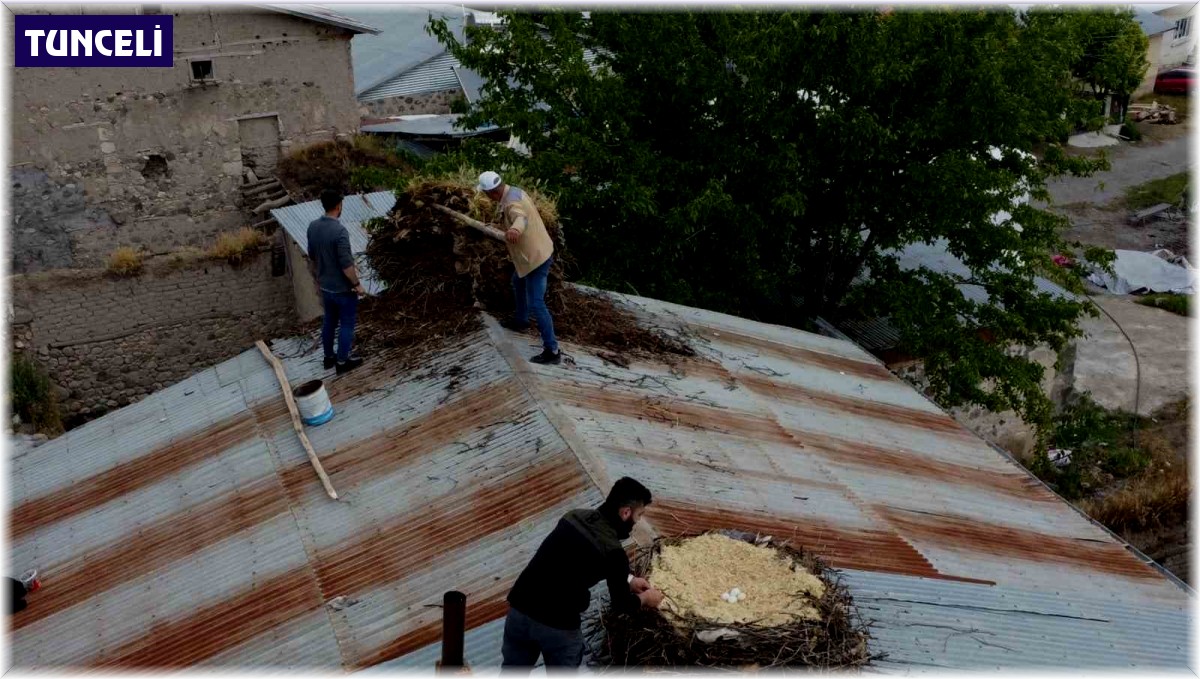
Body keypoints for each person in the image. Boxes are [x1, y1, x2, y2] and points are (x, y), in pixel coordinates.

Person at [501, 477, 665, 671]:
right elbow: (621, 605)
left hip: (520, 608)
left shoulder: (573, 517)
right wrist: (646, 598)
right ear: (625, 512)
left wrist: (627, 578)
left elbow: (576, 561)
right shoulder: (614, 552)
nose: (637, 522)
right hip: (556, 623)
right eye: (639, 515)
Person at [477, 171, 561, 365]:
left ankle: (552, 350)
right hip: (536, 252)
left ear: (492, 193)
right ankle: (521, 320)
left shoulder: (511, 203)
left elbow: (520, 218)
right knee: (517, 281)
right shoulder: (514, 191)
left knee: (537, 304)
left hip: (535, 259)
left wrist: (514, 229)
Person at [307, 188, 365, 375]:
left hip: (325, 287)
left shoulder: (313, 227)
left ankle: (328, 358)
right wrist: (357, 285)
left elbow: (312, 255)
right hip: (343, 290)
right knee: (347, 324)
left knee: (329, 322)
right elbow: (347, 265)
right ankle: (342, 361)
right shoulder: (340, 231)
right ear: (339, 206)